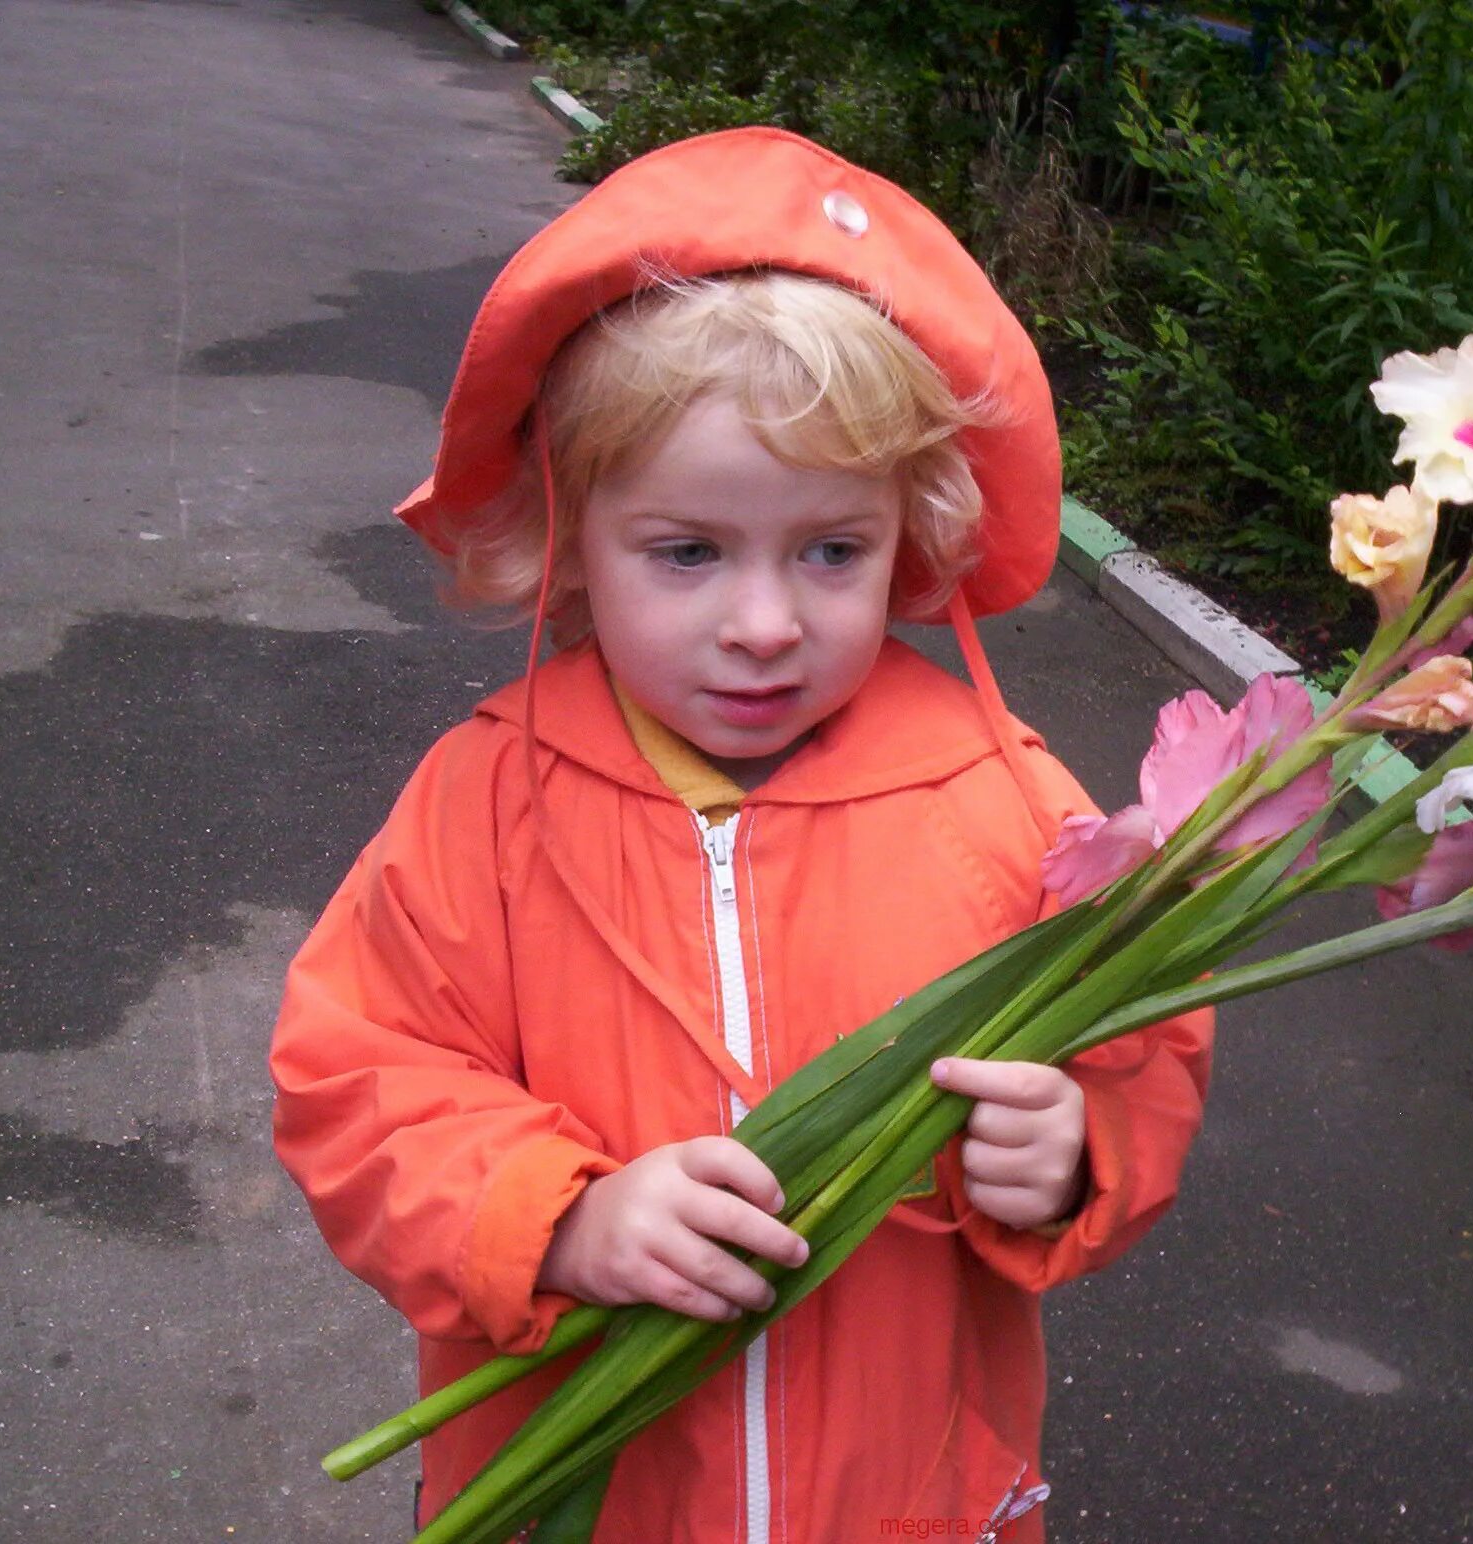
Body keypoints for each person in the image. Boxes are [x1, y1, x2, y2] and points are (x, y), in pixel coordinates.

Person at [269, 127, 1212, 1543]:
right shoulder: (489, 799)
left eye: (832, 550)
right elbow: (360, 1075)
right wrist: (556, 1216)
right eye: (688, 552)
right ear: (570, 536)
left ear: (913, 534)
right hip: (587, 1499)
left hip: (906, 1505)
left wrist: (1081, 1149)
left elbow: (1137, 1045)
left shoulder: (1007, 805)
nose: (766, 625)